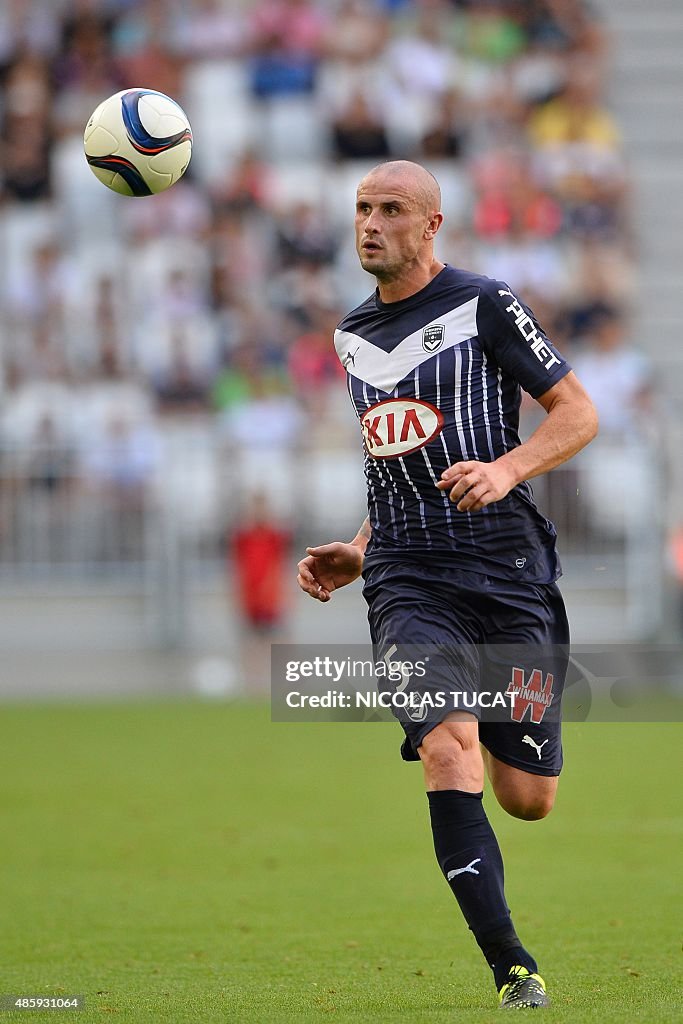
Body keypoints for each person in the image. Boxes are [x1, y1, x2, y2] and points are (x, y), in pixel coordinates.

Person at [297, 160, 598, 1010]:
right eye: (361, 208)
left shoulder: (486, 303)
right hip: (407, 581)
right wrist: (362, 547)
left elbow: (577, 412)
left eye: (390, 210)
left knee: (527, 797)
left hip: (505, 573)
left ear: (430, 226)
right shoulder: (350, 334)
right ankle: (512, 966)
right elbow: (389, 460)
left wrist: (506, 468)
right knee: (445, 748)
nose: (369, 224)